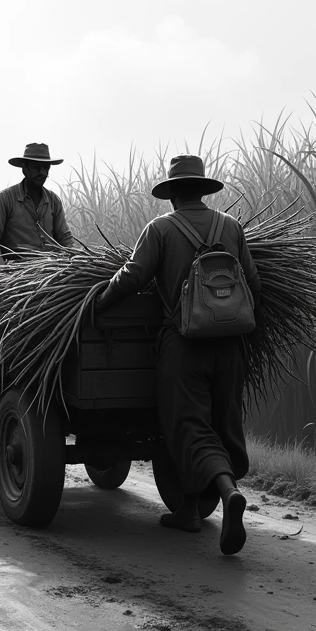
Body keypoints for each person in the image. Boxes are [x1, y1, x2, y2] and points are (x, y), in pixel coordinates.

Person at [94, 154, 262, 556]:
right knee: (223, 421)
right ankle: (188, 509)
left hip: (185, 346)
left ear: (172, 195)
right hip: (231, 345)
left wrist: (101, 299)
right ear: (203, 190)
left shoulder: (162, 229)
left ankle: (227, 492)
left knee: (188, 425)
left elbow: (134, 275)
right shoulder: (232, 227)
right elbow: (253, 283)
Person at [0, 142, 74, 265]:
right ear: (24, 168)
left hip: (51, 269)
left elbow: (65, 239)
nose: (42, 172)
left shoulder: (53, 201)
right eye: (37, 167)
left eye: (46, 167)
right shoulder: (5, 199)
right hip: (17, 270)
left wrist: (71, 262)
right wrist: (3, 269)